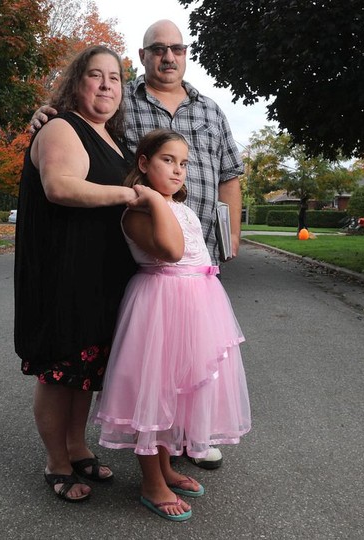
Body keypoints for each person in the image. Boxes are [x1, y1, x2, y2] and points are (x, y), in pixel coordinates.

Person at [30, 19, 245, 469]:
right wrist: (45, 112)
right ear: (144, 56)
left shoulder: (204, 111)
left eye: (177, 48)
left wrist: (231, 236)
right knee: (136, 363)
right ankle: (72, 460)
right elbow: (67, 169)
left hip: (193, 248)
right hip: (140, 251)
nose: (169, 56)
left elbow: (230, 175)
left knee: (182, 357)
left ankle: (190, 435)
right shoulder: (116, 114)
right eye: (158, 49)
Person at [94, 129, 251, 521]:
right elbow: (172, 250)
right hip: (160, 306)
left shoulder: (176, 206)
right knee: (157, 388)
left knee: (178, 390)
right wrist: (149, 196)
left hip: (197, 305)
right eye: (167, 160)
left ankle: (165, 468)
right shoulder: (139, 211)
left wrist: (160, 198)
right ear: (144, 164)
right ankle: (151, 482)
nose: (179, 170)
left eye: (184, 163)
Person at [14, 45, 140, 503]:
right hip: (63, 273)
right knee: (59, 369)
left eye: (115, 78)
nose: (107, 85)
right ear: (76, 81)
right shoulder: (63, 127)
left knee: (83, 371)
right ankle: (57, 461)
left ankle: (77, 446)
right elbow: (60, 187)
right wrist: (129, 196)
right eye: (95, 75)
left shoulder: (113, 139)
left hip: (100, 276)